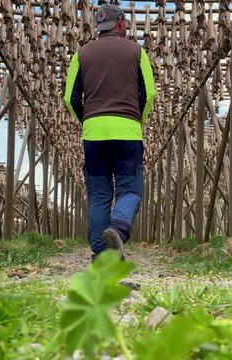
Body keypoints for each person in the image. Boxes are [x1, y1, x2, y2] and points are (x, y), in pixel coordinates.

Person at [64, 3, 156, 260]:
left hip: (94, 133)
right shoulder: (137, 51)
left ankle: (100, 254)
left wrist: (87, 121)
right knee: (130, 190)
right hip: (127, 130)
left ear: (100, 27)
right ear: (121, 24)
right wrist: (138, 119)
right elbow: (149, 95)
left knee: (99, 194)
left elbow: (70, 98)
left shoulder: (81, 54)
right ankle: (118, 228)